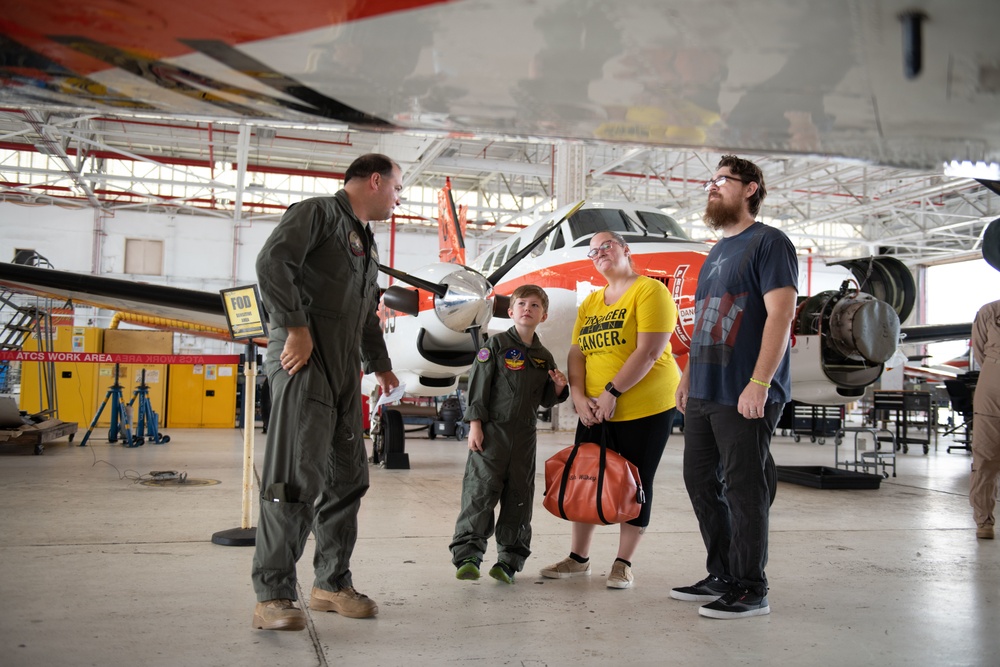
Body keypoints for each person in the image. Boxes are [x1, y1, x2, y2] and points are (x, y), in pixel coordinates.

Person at [250, 153, 401, 632]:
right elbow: (273, 263)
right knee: (296, 477)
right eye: (397, 188)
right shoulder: (317, 213)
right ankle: (273, 593)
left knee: (347, 478)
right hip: (304, 361)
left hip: (343, 370)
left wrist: (381, 366)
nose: (399, 198)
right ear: (375, 180)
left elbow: (365, 311)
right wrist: (293, 328)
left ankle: (331, 583)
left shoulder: (367, 243)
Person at [671, 155, 798, 619]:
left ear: (750, 188)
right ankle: (723, 572)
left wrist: (760, 382)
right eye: (711, 180)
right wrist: (688, 375)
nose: (712, 186)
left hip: (745, 390)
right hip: (705, 388)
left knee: (746, 488)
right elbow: (706, 321)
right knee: (700, 480)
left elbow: (781, 316)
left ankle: (751, 586)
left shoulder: (770, 243)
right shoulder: (715, 251)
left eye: (721, 180)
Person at [539, 230, 680, 589]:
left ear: (625, 250)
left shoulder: (649, 291)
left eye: (606, 246)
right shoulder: (591, 302)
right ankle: (578, 558)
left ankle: (623, 563)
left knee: (635, 483)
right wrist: (578, 394)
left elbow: (649, 351)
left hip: (645, 406)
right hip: (595, 407)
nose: (599, 253)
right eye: (592, 252)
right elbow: (577, 352)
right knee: (584, 475)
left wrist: (612, 392)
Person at [449, 285, 569, 584]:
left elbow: (545, 399)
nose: (528, 309)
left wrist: (557, 387)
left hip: (525, 437)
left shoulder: (543, 357)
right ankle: (468, 557)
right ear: (511, 311)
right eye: (522, 304)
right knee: (480, 492)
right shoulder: (497, 345)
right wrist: (475, 424)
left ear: (544, 315)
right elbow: (478, 386)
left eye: (535, 305)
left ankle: (508, 561)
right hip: (492, 432)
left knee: (519, 496)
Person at [971, 299, 1000, 540]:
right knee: (985, 455)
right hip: (992, 389)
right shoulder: (990, 311)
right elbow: (979, 350)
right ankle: (984, 521)